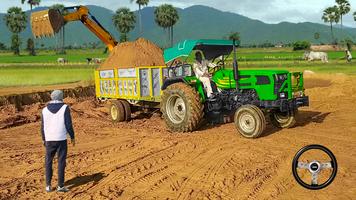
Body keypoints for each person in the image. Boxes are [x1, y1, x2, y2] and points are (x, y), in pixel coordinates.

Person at [41, 90, 75, 192]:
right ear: (61, 97)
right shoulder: (65, 108)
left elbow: (42, 126)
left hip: (49, 139)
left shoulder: (44, 110)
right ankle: (60, 186)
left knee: (48, 161)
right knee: (61, 162)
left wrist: (43, 138)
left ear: (51, 97)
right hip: (61, 139)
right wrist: (72, 137)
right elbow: (68, 124)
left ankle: (48, 186)